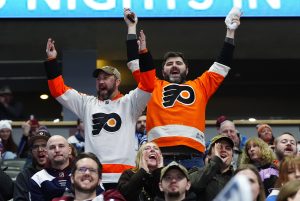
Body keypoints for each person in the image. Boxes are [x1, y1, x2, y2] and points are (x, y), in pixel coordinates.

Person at [44, 9, 155, 188]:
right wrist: (51, 62)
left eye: (106, 78)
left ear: (117, 81)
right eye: (99, 78)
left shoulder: (130, 102)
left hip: (125, 177)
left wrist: (144, 52)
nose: (101, 81)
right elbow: (59, 91)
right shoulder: (87, 104)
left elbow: (149, 85)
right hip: (95, 176)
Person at [126, 7, 241, 168]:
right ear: (163, 70)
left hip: (193, 157)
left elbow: (222, 65)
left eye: (179, 63)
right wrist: (131, 28)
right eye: (169, 64)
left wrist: (230, 31)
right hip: (158, 156)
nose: (174, 66)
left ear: (186, 70)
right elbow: (134, 63)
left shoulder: (201, 86)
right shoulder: (152, 85)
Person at [189, 135, 234, 201]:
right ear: (209, 155)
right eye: (219, 147)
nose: (224, 150)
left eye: (228, 148)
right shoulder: (197, 172)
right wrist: (216, 161)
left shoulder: (238, 176)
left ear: (232, 156)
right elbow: (193, 185)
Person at [29, 135, 73, 201]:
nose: (57, 150)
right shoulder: (37, 179)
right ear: (46, 153)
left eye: (61, 146)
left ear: (69, 150)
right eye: (52, 147)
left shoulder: (81, 173)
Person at [14, 127, 51, 201]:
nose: (40, 150)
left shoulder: (60, 172)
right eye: (36, 146)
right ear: (31, 152)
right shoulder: (24, 176)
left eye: (44, 145)